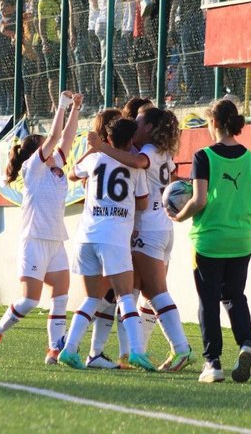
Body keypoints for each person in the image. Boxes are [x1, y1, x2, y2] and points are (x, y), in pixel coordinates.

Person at [87, 105, 195, 372]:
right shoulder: (164, 151)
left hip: (147, 228)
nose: (134, 125)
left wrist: (101, 147)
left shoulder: (146, 152)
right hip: (162, 227)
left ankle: (181, 349)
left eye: (138, 121)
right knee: (134, 289)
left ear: (148, 128)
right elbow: (169, 177)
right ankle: (130, 353)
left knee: (153, 291)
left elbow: (137, 163)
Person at [0, 91, 82, 364]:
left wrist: (76, 109)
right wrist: (61, 106)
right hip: (34, 240)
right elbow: (53, 138)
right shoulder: (31, 168)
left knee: (61, 297)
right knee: (29, 302)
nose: (52, 148)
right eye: (44, 147)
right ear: (36, 151)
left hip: (56, 240)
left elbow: (68, 137)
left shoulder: (57, 163)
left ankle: (54, 348)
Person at [172, 98, 251, 383]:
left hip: (209, 240)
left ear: (213, 123)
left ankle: (213, 363)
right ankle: (246, 344)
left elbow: (198, 201)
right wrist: (246, 231)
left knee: (209, 301)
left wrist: (179, 216)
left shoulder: (204, 157)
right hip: (241, 239)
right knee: (235, 296)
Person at [58, 118, 156, 371]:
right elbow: (143, 203)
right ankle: (135, 351)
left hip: (87, 236)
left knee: (92, 297)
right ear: (132, 140)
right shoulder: (135, 168)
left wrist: (95, 147)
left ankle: (69, 349)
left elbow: (71, 172)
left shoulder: (94, 159)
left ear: (108, 139)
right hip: (114, 237)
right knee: (124, 296)